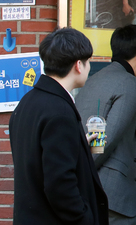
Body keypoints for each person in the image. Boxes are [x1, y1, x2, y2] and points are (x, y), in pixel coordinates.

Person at [9, 28, 109, 225]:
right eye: (88, 62)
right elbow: (59, 184)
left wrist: (78, 147)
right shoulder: (59, 111)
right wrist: (85, 218)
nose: (88, 68)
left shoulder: (27, 102)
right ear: (78, 65)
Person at [76, 24, 136, 225]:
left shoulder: (93, 80)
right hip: (112, 196)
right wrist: (86, 172)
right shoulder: (131, 84)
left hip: (89, 194)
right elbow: (105, 138)